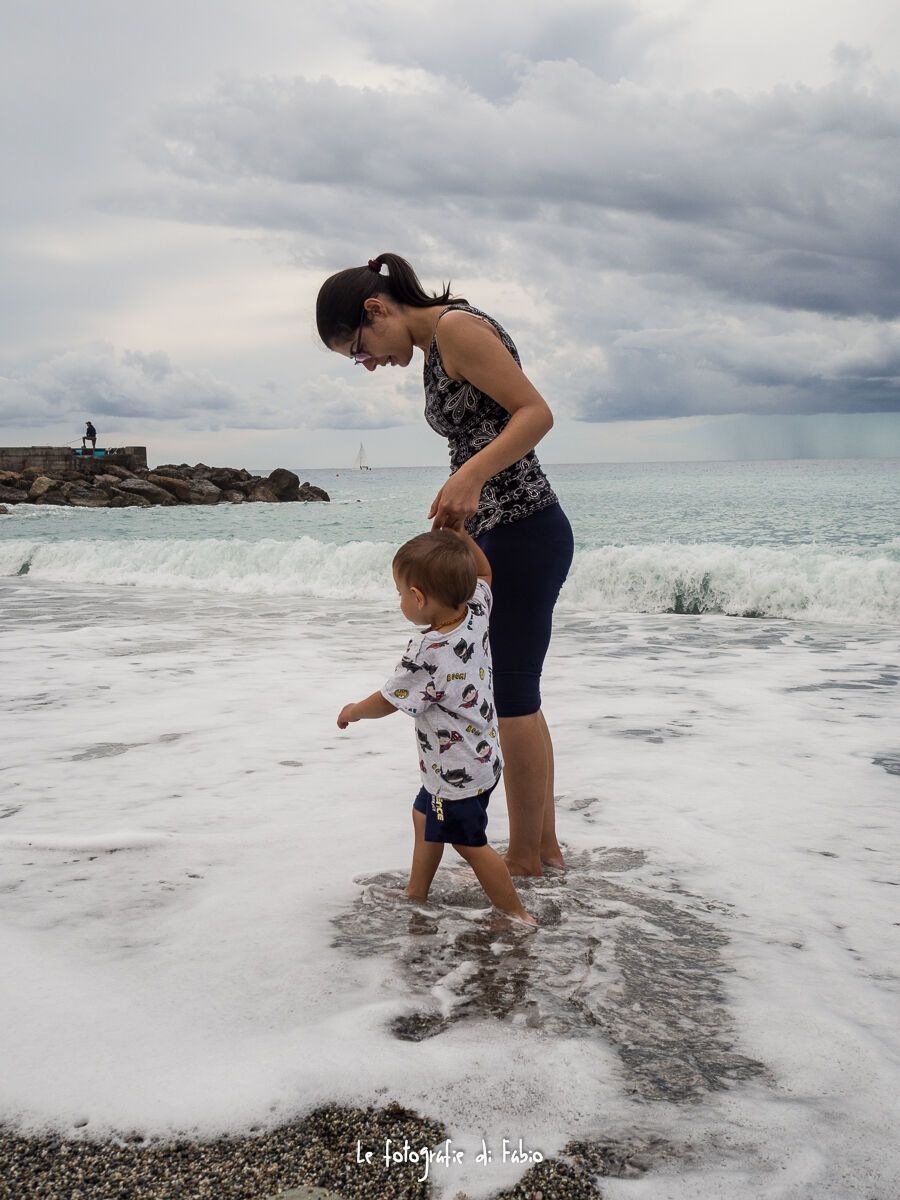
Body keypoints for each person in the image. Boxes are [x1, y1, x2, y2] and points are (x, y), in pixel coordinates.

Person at [317, 254, 574, 877]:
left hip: (525, 528)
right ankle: (543, 851)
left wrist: (471, 476)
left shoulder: (455, 329)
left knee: (513, 697)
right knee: (518, 696)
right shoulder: (434, 347)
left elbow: (536, 413)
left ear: (376, 310)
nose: (369, 364)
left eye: (359, 350)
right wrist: (465, 506)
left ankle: (524, 859)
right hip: (500, 531)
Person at [337, 529, 535, 924]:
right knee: (424, 817)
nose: (399, 600)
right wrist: (461, 537)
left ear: (419, 597)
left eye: (399, 593)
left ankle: (516, 916)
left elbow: (388, 701)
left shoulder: (426, 652)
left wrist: (353, 711)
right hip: (482, 758)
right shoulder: (476, 612)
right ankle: (416, 892)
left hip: (455, 774)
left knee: (470, 843)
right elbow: (485, 574)